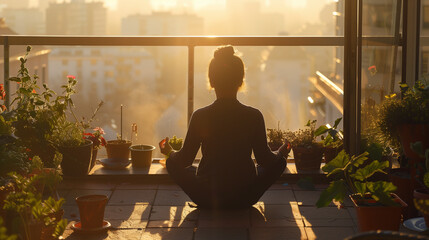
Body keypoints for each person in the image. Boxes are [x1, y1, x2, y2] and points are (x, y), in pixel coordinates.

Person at [159, 45, 291, 209]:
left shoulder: (200, 116)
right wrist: (281, 153)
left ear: (212, 81)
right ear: (241, 81)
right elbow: (265, 160)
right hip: (245, 195)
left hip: (206, 196)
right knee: (280, 163)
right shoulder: (254, 116)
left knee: (172, 164)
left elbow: (184, 160)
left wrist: (169, 152)